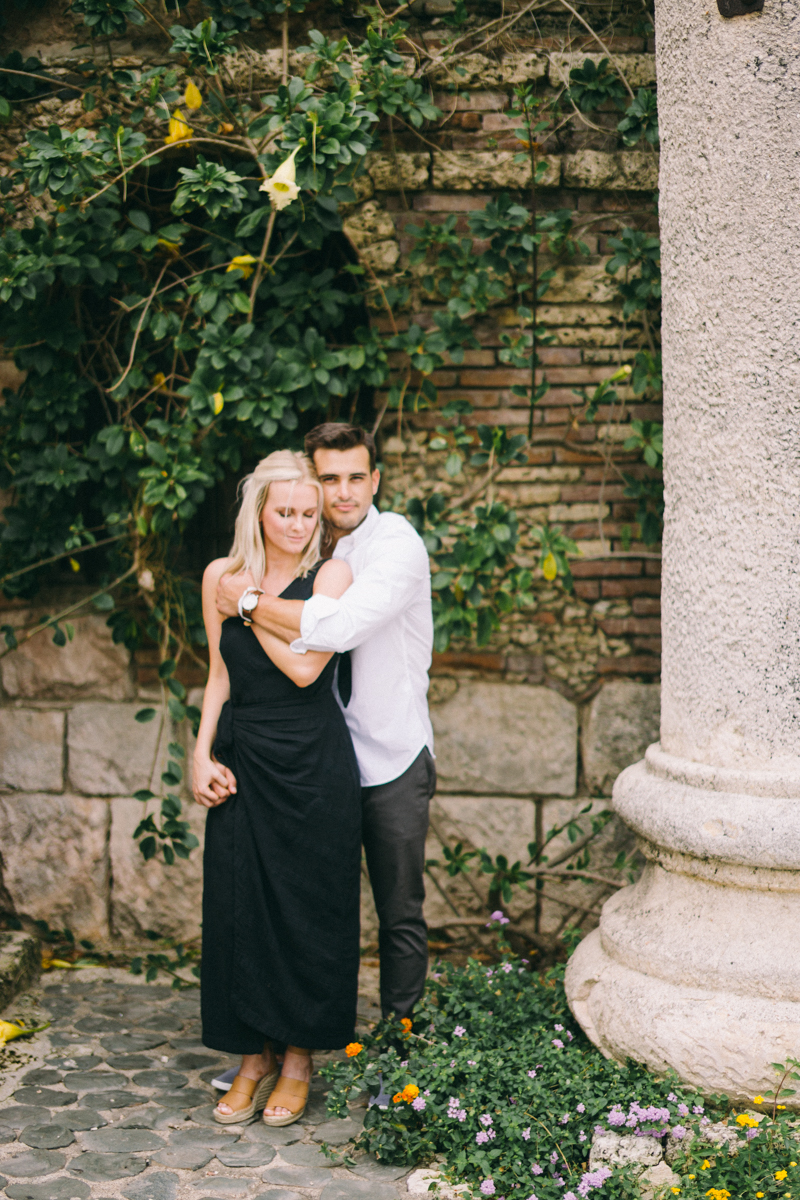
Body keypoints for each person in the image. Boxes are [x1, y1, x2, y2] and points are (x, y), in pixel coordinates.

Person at [216, 423, 436, 1024]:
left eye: (356, 477)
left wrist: (246, 603)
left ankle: (401, 1048)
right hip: (320, 761)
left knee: (398, 912)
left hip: (390, 754)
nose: (343, 493)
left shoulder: (396, 545)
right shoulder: (307, 552)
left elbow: (333, 629)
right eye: (330, 479)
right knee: (309, 905)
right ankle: (297, 1037)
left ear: (376, 480)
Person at [193, 449, 362, 1127]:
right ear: (258, 513)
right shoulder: (219, 577)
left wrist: (252, 605)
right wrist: (199, 753)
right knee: (240, 910)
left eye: (308, 514)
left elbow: (303, 669)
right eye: (284, 512)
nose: (297, 525)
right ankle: (252, 1059)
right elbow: (217, 677)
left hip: (312, 764)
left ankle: (296, 1060)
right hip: (243, 757)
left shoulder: (335, 574)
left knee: (306, 909)